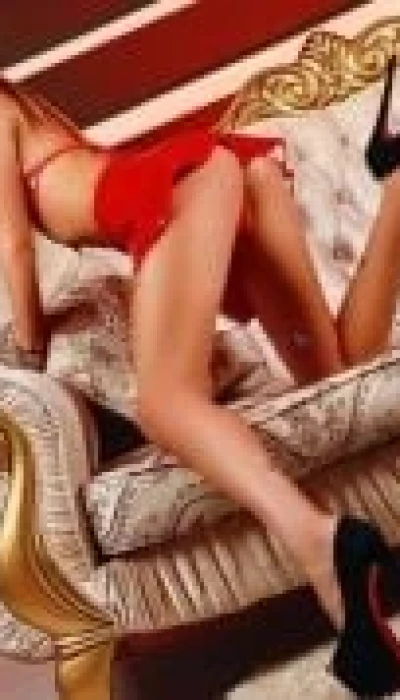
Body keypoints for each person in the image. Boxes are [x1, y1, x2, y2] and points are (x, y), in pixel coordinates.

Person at [1, 56, 400, 696]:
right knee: (338, 371)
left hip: (187, 181)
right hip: (229, 174)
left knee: (166, 404)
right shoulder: (24, 106)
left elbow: (15, 246)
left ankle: (323, 544)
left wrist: (27, 354)